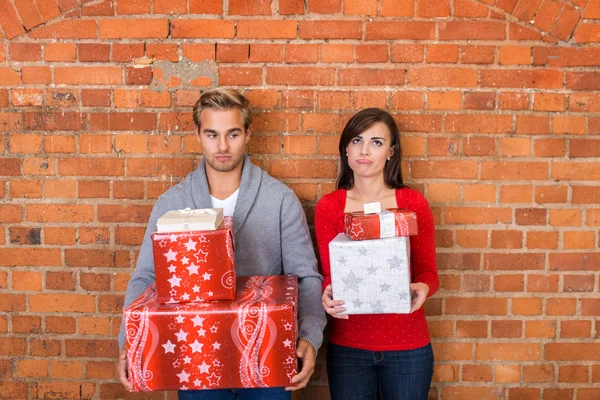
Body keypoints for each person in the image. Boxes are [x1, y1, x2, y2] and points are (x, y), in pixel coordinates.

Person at [117, 88, 327, 399]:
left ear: (248, 133)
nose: (223, 146)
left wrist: (309, 337)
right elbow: (146, 279)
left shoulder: (280, 200)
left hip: (266, 358)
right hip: (196, 357)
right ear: (197, 134)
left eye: (233, 134)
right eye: (212, 134)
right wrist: (128, 342)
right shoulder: (172, 203)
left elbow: (306, 276)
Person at [315, 108, 439, 400]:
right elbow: (329, 275)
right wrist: (327, 294)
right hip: (349, 347)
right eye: (357, 140)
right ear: (346, 148)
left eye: (377, 142)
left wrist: (423, 288)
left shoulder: (412, 203)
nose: (365, 150)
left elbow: (428, 272)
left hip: (408, 346)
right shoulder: (330, 207)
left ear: (391, 152)